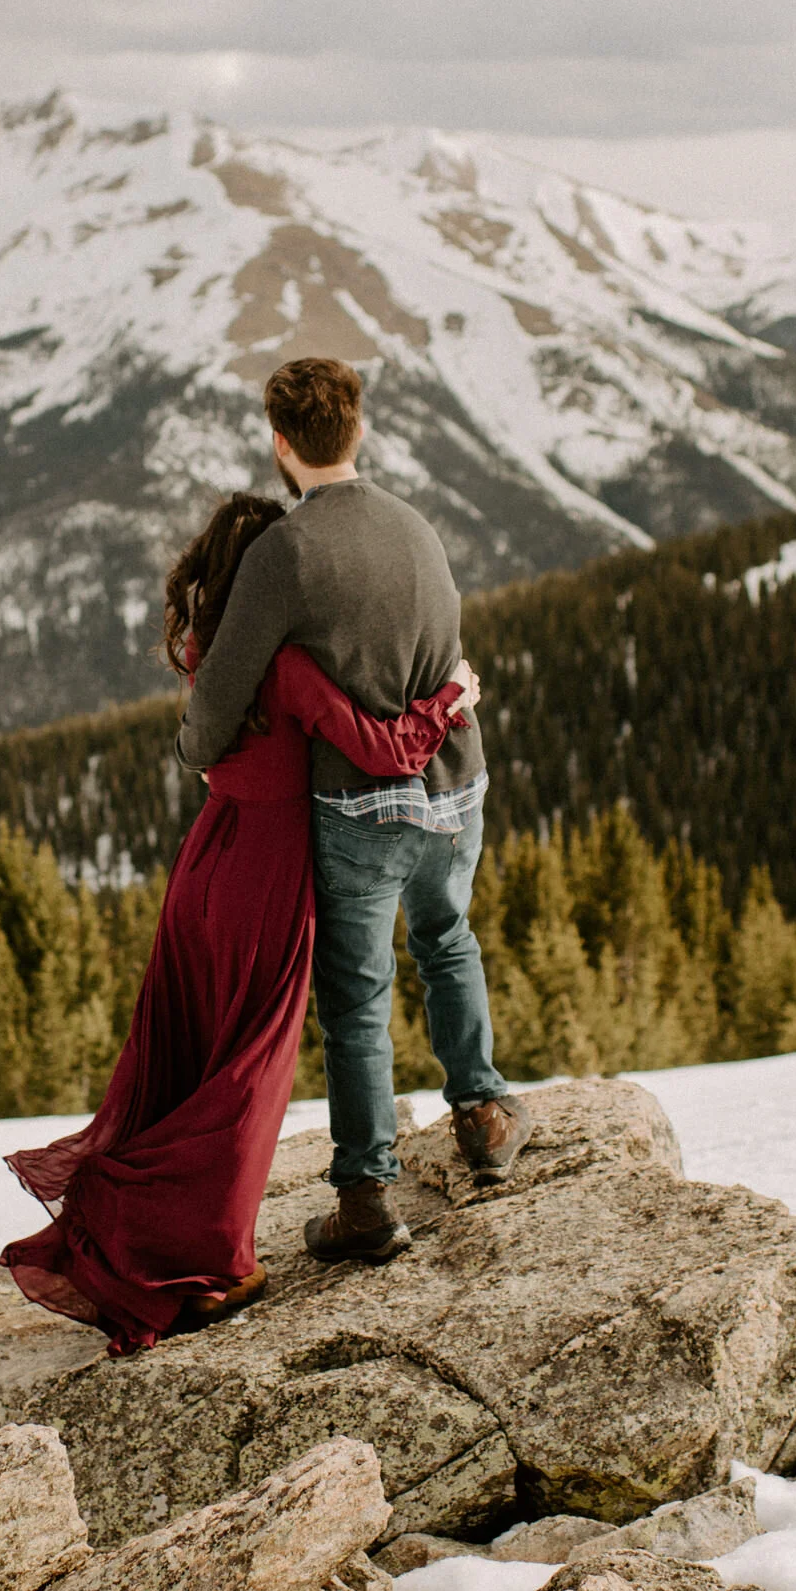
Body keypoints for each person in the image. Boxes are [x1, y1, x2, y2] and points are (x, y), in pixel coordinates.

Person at [0, 490, 474, 1354]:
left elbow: (204, 744)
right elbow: (386, 750)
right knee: (246, 1074)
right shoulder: (289, 666)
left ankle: (149, 1231)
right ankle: (212, 1266)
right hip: (268, 874)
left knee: (190, 1057)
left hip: (207, 863)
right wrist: (450, 697)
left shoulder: (206, 654)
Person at [176, 356, 531, 1267]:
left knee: (358, 995)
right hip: (456, 783)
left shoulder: (283, 552)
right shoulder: (416, 527)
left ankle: (366, 1196)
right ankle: (484, 1114)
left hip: (362, 803)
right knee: (447, 939)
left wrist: (196, 748)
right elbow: (447, 658)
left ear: (281, 443)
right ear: (359, 430)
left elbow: (219, 697)